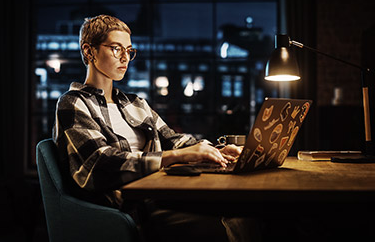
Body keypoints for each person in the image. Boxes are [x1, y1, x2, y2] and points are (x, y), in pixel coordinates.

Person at [53, 15, 247, 242]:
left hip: (160, 196)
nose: (125, 57)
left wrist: (214, 150)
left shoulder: (136, 103)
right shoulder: (73, 103)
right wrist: (175, 157)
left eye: (129, 50)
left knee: (243, 215)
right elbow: (99, 165)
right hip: (128, 210)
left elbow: (173, 139)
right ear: (89, 52)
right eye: (116, 49)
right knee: (224, 226)